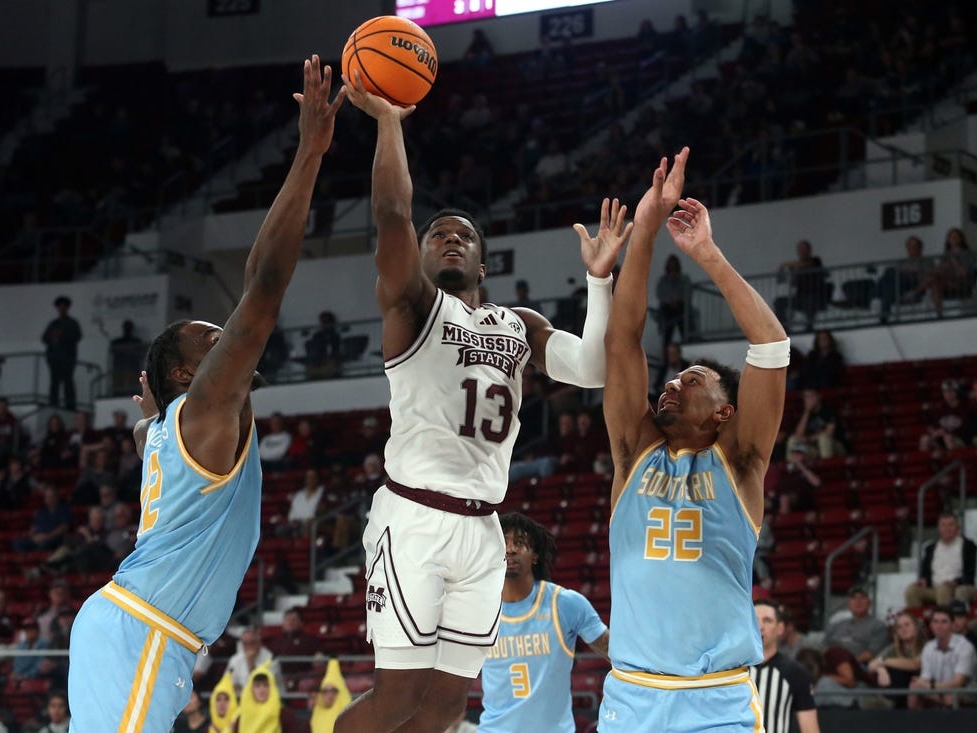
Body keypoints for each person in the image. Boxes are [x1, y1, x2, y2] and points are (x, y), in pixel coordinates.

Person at [338, 69, 626, 733]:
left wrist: (598, 282)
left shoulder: (516, 324)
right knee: (397, 697)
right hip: (414, 516)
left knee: (444, 708)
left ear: (484, 263)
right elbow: (391, 215)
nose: (449, 238)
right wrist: (388, 124)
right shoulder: (413, 307)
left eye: (463, 234)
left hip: (484, 529)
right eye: (438, 232)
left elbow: (590, 368)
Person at [66, 56, 345, 733]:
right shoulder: (199, 414)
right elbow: (264, 284)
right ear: (192, 377)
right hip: (142, 631)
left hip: (143, 630)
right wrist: (309, 151)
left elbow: (146, 434)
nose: (228, 338)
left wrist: (150, 420)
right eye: (211, 340)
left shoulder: (176, 426)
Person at [599, 150, 788, 732]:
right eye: (674, 377)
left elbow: (772, 346)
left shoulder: (741, 462)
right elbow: (624, 338)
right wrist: (647, 227)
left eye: (693, 380)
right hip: (632, 694)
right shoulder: (635, 449)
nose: (673, 382)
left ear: (724, 412)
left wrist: (706, 253)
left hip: (717, 699)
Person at [478, 513, 609, 733]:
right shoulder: (478, 609)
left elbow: (616, 654)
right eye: (503, 543)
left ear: (535, 555)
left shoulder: (565, 603)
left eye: (519, 543)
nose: (509, 549)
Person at [752, 599, 819, 733]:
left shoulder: (795, 672)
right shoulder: (731, 669)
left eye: (767, 620)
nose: (760, 627)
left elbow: (809, 728)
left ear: (780, 628)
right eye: (754, 619)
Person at [908, 605, 977, 708]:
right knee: (915, 686)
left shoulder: (965, 646)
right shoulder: (928, 647)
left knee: (949, 695)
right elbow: (925, 679)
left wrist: (930, 686)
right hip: (938, 688)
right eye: (935, 622)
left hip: (966, 691)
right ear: (931, 625)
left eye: (944, 622)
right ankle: (912, 722)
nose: (939, 626)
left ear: (952, 625)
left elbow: (958, 682)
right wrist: (924, 684)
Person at [904, 512, 977, 607]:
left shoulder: (968, 546)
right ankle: (916, 621)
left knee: (943, 589)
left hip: (956, 587)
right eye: (943, 525)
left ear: (957, 528)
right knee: (911, 590)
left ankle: (943, 619)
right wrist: (923, 580)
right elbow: (925, 572)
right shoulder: (931, 548)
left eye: (950, 525)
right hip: (934, 588)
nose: (947, 529)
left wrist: (956, 582)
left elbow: (972, 571)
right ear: (938, 528)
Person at [867, 611, 927, 708]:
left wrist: (884, 662)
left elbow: (915, 664)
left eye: (907, 625)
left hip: (918, 684)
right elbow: (871, 665)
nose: (903, 629)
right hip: (896, 687)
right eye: (899, 627)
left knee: (899, 671)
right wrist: (881, 670)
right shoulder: (893, 648)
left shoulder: (927, 646)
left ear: (916, 627)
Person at [821, 586, 890, 666]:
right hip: (830, 664)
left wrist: (848, 664)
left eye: (862, 597)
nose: (858, 601)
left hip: (856, 666)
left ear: (869, 603)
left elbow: (871, 654)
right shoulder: (836, 624)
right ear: (848, 604)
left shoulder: (878, 626)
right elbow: (824, 647)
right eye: (853, 598)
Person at [774, 239, 829, 331]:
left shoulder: (816, 260)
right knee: (779, 302)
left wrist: (784, 264)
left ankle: (809, 326)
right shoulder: (797, 267)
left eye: (803, 249)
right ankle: (783, 327)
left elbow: (806, 264)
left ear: (809, 250)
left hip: (815, 297)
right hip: (800, 297)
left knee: (810, 301)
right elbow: (793, 283)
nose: (801, 251)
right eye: (800, 249)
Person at [876, 234, 931, 323]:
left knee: (889, 271)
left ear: (920, 248)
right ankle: (884, 314)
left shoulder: (926, 261)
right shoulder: (903, 262)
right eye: (909, 246)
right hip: (899, 286)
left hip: (914, 283)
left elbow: (929, 277)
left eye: (914, 246)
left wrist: (913, 274)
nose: (911, 249)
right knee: (888, 281)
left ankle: (876, 294)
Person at [43, 295, 83, 410]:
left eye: (63, 307)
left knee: (68, 382)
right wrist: (52, 335)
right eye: (59, 307)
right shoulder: (53, 323)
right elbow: (44, 338)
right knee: (54, 382)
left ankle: (70, 405)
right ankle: (53, 404)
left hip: (67, 359)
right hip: (54, 359)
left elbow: (77, 336)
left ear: (67, 308)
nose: (61, 310)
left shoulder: (72, 323)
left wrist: (63, 335)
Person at [226, 626, 280, 697]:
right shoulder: (235, 659)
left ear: (259, 642)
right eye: (245, 643)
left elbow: (264, 688)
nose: (249, 646)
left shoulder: (271, 658)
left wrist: (251, 663)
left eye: (252, 642)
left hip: (270, 700)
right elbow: (227, 684)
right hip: (242, 700)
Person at [655, 254, 691, 346]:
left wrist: (677, 300)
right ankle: (666, 355)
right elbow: (660, 294)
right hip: (668, 309)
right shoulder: (663, 280)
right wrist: (669, 301)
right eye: (670, 264)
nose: (672, 266)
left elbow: (687, 293)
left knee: (685, 330)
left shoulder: (684, 279)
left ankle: (687, 344)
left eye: (674, 264)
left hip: (681, 308)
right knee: (667, 335)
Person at [310, 659, 353, 733]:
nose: (330, 694)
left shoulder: (348, 715)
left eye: (333, 690)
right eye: (325, 691)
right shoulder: (316, 713)